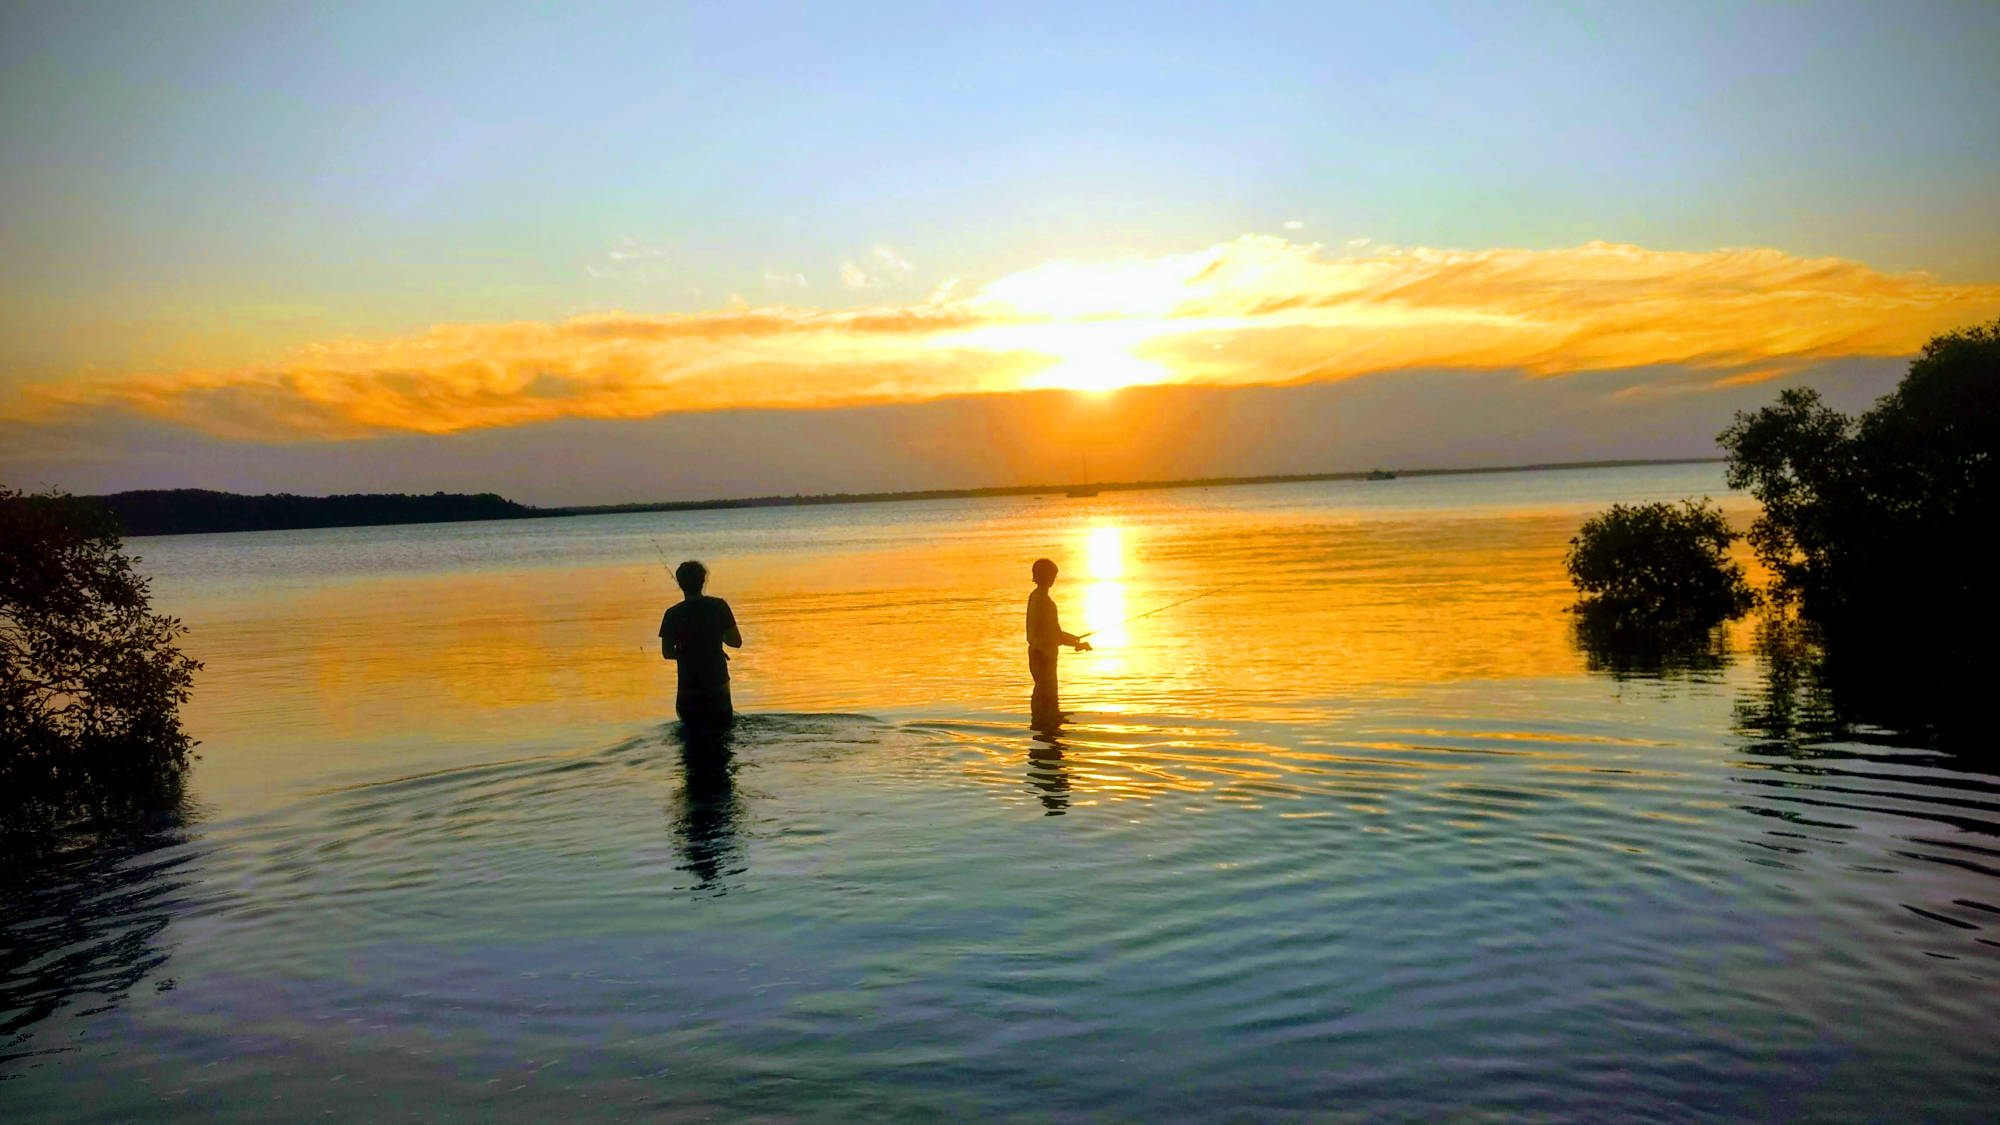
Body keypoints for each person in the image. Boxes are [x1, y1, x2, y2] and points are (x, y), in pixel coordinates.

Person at [660, 560, 742, 728]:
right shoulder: (719, 606)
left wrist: (688, 651)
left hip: (688, 687)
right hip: (717, 683)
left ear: (680, 583)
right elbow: (736, 642)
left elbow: (667, 653)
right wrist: (714, 642)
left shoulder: (672, 614)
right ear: (703, 581)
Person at [1026, 557, 1090, 729]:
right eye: (1053, 576)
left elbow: (1053, 633)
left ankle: (1041, 731)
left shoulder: (1033, 597)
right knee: (1048, 699)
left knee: (1040, 697)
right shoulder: (1047, 603)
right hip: (1045, 659)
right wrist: (1079, 644)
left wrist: (1075, 639)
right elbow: (1055, 636)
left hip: (1034, 655)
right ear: (1049, 577)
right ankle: (1049, 729)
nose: (1054, 579)